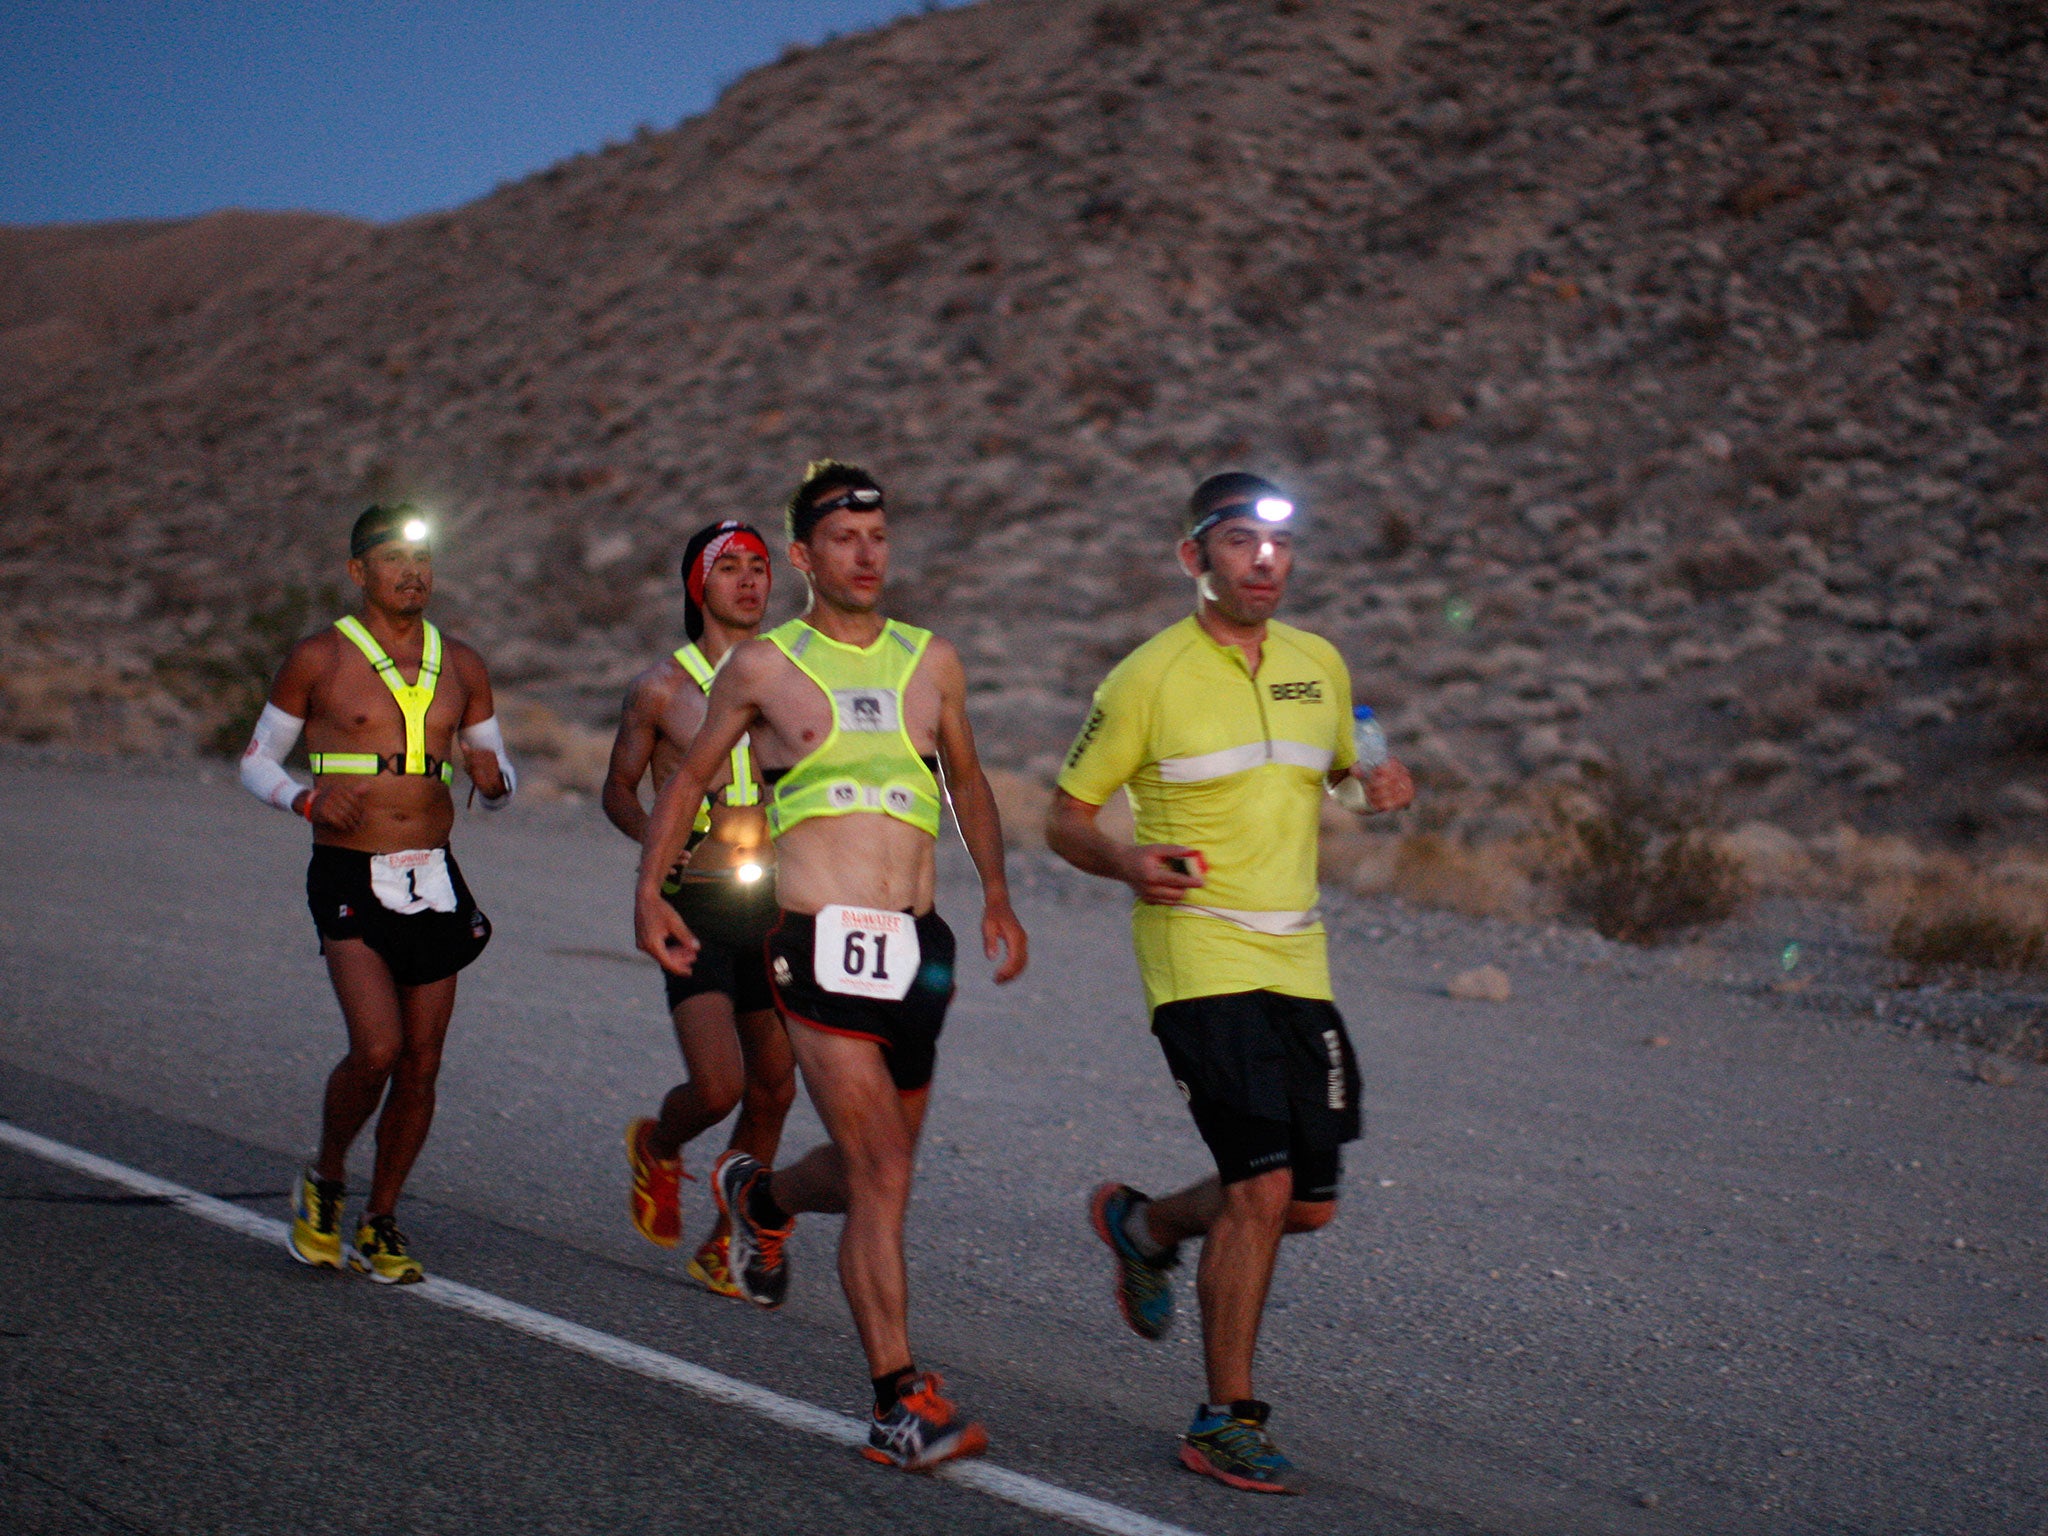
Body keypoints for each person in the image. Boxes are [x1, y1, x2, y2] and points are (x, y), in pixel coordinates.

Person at [634, 461, 1028, 1472]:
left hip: (917, 950)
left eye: (879, 537)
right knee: (881, 1169)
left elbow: (969, 782)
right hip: (813, 941)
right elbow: (683, 783)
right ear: (805, 556)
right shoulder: (764, 667)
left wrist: (994, 893)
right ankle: (899, 1399)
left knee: (872, 1180)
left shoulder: (931, 661)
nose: (866, 555)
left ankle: (759, 1203)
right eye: (844, 540)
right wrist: (650, 894)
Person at [1045, 472, 1414, 1494]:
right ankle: (1225, 1417)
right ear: (1193, 558)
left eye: (1278, 545)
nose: (1263, 560)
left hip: (1298, 957)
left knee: (1304, 1205)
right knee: (1257, 1186)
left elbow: (1337, 770)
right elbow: (1063, 817)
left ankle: (1147, 1226)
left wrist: (1373, 782)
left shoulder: (1319, 664)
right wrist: (1123, 861)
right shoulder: (1146, 678)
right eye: (1241, 541)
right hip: (1196, 956)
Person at [241, 502, 516, 1285]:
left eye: (422, 558)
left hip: (433, 874)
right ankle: (326, 1181)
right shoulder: (318, 657)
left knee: (422, 1065)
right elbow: (257, 760)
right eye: (392, 558)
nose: (412, 572)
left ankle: (382, 1218)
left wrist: (496, 785)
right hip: (348, 870)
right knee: (378, 1049)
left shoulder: (462, 663)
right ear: (359, 571)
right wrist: (304, 799)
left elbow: (496, 779)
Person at [605, 519, 796, 1298]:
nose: (750, 581)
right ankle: (658, 1144)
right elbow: (619, 787)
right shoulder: (662, 688)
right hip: (700, 904)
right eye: (731, 569)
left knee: (776, 1087)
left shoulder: (792, 679)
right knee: (717, 1087)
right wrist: (656, 843)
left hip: (778, 905)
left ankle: (727, 1244)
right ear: (699, 585)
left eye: (759, 566)